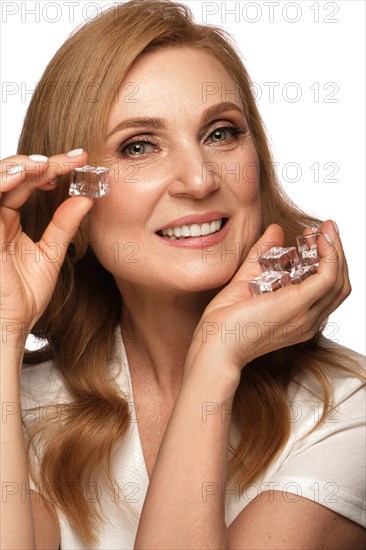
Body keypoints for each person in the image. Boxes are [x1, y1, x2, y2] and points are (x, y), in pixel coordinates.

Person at [1, 1, 365, 548]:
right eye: (139, 146)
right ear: (69, 194)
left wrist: (215, 361)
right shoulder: (21, 406)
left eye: (221, 133)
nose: (198, 179)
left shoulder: (345, 409)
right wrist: (4, 329)